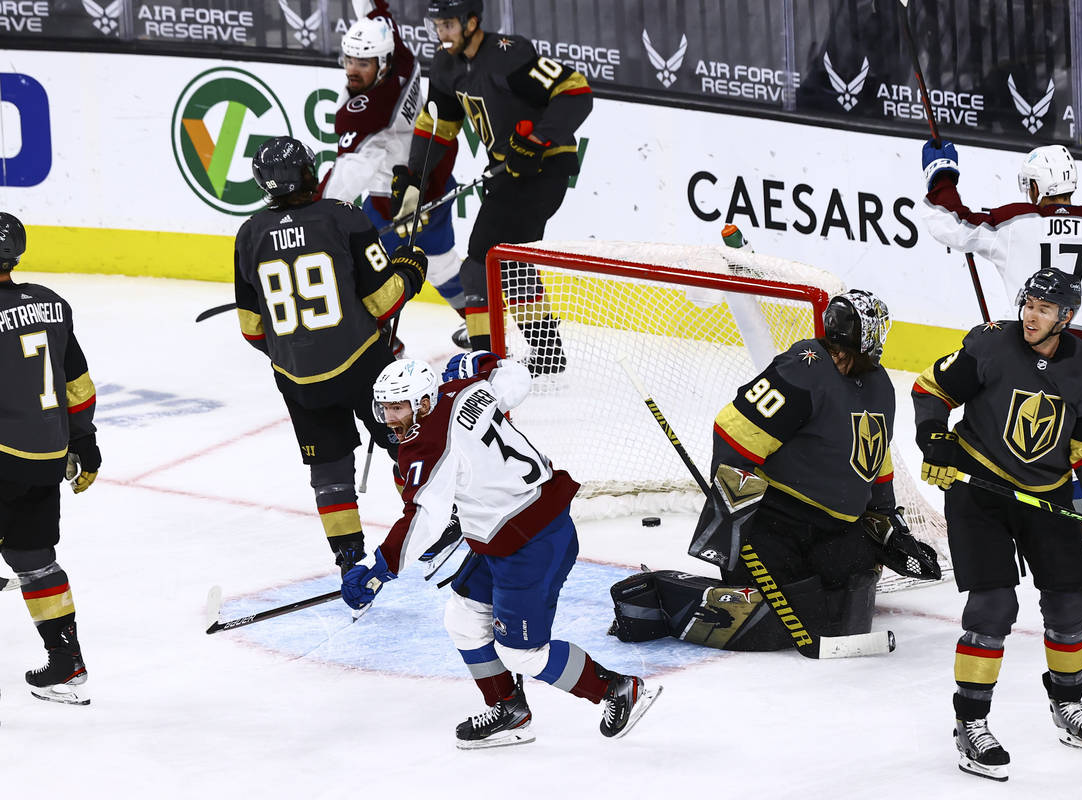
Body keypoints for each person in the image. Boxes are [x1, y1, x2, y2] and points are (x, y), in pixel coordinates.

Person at [339, 352, 661, 748]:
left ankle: (616, 689)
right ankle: (509, 710)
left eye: (399, 407)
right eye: (385, 407)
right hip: (512, 532)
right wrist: (485, 360)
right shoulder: (467, 389)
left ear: (424, 402)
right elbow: (515, 380)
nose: (390, 418)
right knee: (463, 618)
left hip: (530, 544)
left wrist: (379, 569)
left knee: (521, 653)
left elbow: (426, 517)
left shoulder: (427, 445)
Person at [912, 267, 1082, 781]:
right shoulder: (991, 344)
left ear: (1067, 317)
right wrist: (935, 439)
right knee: (993, 606)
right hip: (979, 490)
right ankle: (970, 723)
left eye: (1044, 309)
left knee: (1071, 604)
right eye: (1028, 304)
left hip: (1046, 496)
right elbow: (930, 389)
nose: (1030, 315)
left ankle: (1067, 705)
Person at [919, 139, 1082, 586]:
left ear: (1035, 185)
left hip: (1053, 362)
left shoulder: (1015, 223)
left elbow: (950, 225)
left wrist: (941, 174)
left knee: (1060, 454)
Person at [233, 136, 428, 575]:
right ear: (309, 172)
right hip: (361, 361)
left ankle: (348, 559)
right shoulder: (342, 216)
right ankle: (437, 526)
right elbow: (384, 301)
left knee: (328, 469)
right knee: (405, 441)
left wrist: (295, 353)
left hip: (296, 378)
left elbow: (252, 329)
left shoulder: (249, 234)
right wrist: (411, 270)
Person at [701, 290, 929, 640]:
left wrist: (885, 518)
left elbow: (875, 454)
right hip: (777, 521)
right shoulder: (801, 370)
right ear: (867, 335)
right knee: (777, 620)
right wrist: (732, 515)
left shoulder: (878, 383)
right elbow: (734, 431)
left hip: (837, 527)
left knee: (850, 603)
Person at [394, 0, 593, 372]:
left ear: (472, 22)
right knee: (511, 264)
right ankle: (548, 357)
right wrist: (413, 178)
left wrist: (536, 141)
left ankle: (484, 363)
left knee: (479, 264)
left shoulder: (507, 55)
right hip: (508, 174)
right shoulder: (446, 64)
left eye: (450, 24)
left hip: (543, 170)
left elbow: (576, 91)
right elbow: (438, 125)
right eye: (437, 25)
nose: (442, 33)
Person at [317, 0, 469, 351]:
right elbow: (375, 9)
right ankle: (480, 323)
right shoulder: (396, 52)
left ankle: (384, 339)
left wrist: (313, 213)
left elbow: (350, 172)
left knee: (368, 266)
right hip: (425, 180)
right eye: (349, 60)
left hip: (399, 200)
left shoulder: (371, 110)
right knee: (436, 267)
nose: (353, 70)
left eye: (363, 63)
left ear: (381, 64)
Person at [0, 212, 99, 705]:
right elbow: (76, 384)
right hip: (47, 455)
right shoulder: (50, 304)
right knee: (34, 561)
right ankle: (66, 664)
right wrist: (85, 443)